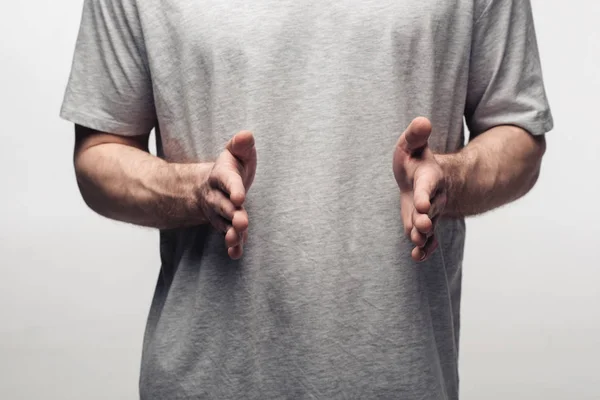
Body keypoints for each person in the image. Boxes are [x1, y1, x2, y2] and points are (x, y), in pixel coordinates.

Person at [61, 0, 552, 398]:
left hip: (404, 380)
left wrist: (451, 177)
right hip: (205, 381)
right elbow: (99, 155)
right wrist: (193, 191)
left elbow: (519, 135)